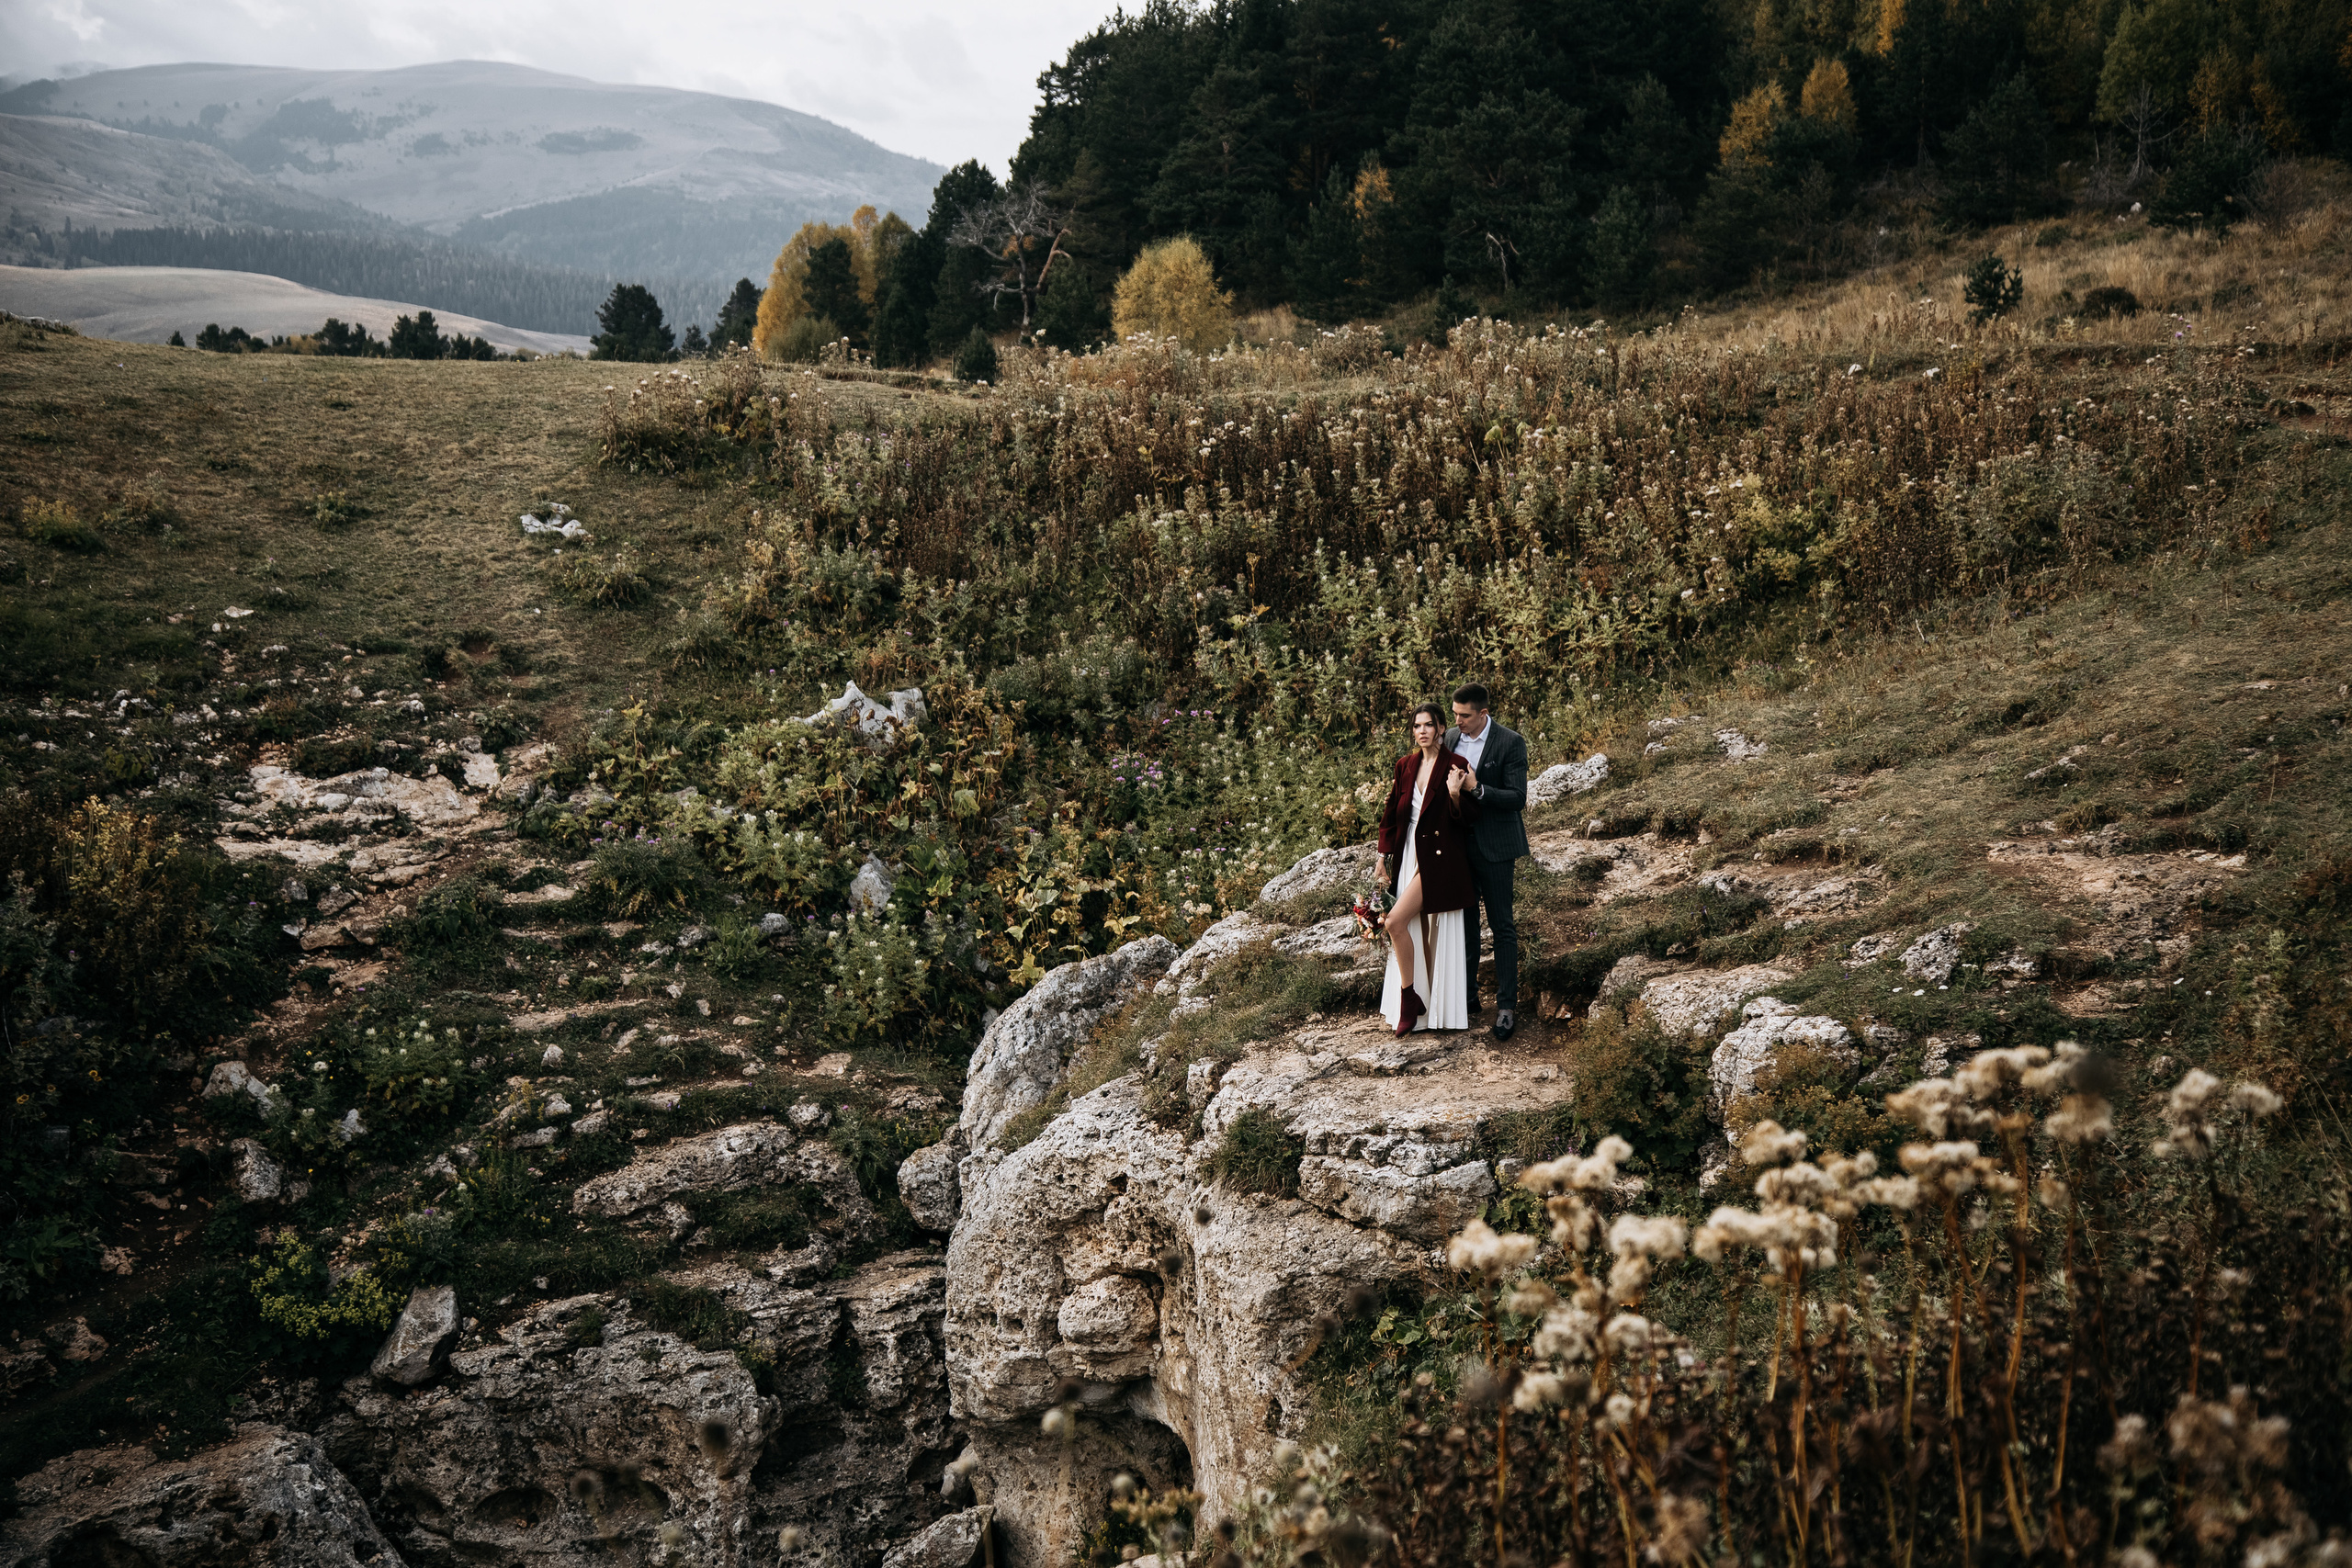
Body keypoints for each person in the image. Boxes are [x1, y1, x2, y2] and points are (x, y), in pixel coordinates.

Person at [1377, 702, 1479, 1035]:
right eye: (1417, 726)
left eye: (1428, 725)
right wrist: (1382, 857)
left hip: (1440, 857)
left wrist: (1455, 794)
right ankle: (1413, 1001)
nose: (1422, 731)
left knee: (1394, 921)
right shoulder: (1405, 765)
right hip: (1408, 854)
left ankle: (1411, 1000)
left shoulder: (1456, 764)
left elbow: (1470, 820)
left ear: (1440, 728)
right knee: (1409, 926)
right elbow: (1392, 814)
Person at [1444, 682, 1528, 1040]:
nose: (1457, 721)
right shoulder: (1450, 738)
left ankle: (1506, 1006)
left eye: (1464, 715)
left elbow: (1517, 797)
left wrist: (1477, 790)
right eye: (1454, 714)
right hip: (1460, 847)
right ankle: (1468, 998)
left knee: (1502, 925)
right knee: (1464, 926)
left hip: (1497, 847)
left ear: (1483, 713)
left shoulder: (1510, 742)